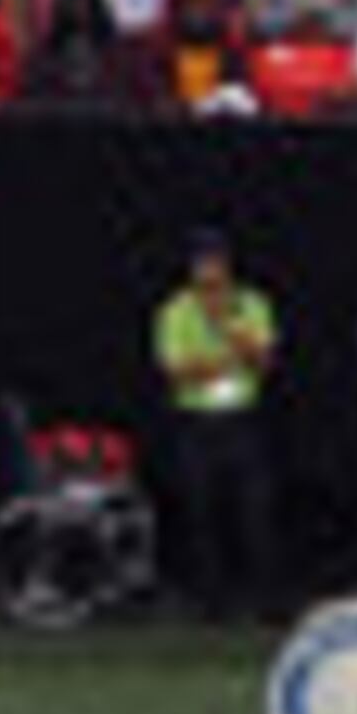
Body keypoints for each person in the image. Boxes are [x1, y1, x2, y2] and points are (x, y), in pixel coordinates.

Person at [152, 223, 280, 622]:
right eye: (201, 264)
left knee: (255, 513)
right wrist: (230, 360)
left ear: (228, 267)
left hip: (242, 419)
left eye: (216, 263)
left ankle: (266, 600)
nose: (209, 272)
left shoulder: (254, 304)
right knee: (201, 513)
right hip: (196, 422)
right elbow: (177, 372)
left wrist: (229, 328)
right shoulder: (175, 311)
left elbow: (264, 362)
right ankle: (212, 602)